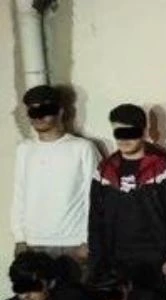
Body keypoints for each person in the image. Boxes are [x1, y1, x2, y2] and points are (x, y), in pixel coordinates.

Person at [89, 103, 166, 297]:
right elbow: (95, 217)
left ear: (143, 131)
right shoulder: (104, 169)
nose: (124, 139)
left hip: (156, 259)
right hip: (116, 260)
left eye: (130, 132)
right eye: (119, 133)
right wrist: (97, 259)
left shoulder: (163, 168)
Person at [12, 85, 100, 275]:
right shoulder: (24, 149)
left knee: (75, 294)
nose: (39, 117)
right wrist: (20, 238)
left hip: (73, 244)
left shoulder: (82, 148)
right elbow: (19, 193)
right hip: (32, 243)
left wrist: (88, 240)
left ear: (60, 111)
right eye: (33, 111)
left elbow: (96, 197)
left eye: (45, 110)